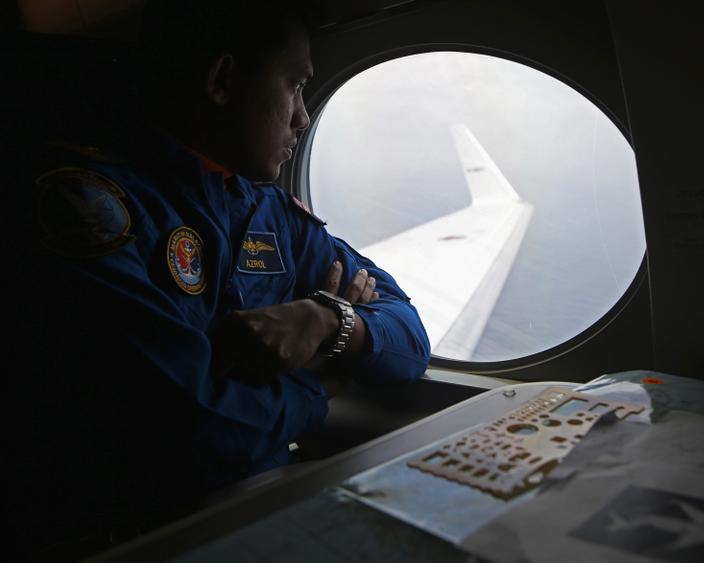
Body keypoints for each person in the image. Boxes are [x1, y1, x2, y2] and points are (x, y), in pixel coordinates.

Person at [10, 0, 430, 557]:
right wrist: (318, 382)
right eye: (295, 85)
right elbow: (195, 432)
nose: (303, 117)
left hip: (261, 504)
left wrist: (326, 320)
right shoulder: (87, 208)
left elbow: (410, 339)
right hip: (136, 534)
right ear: (224, 81)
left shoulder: (274, 216)